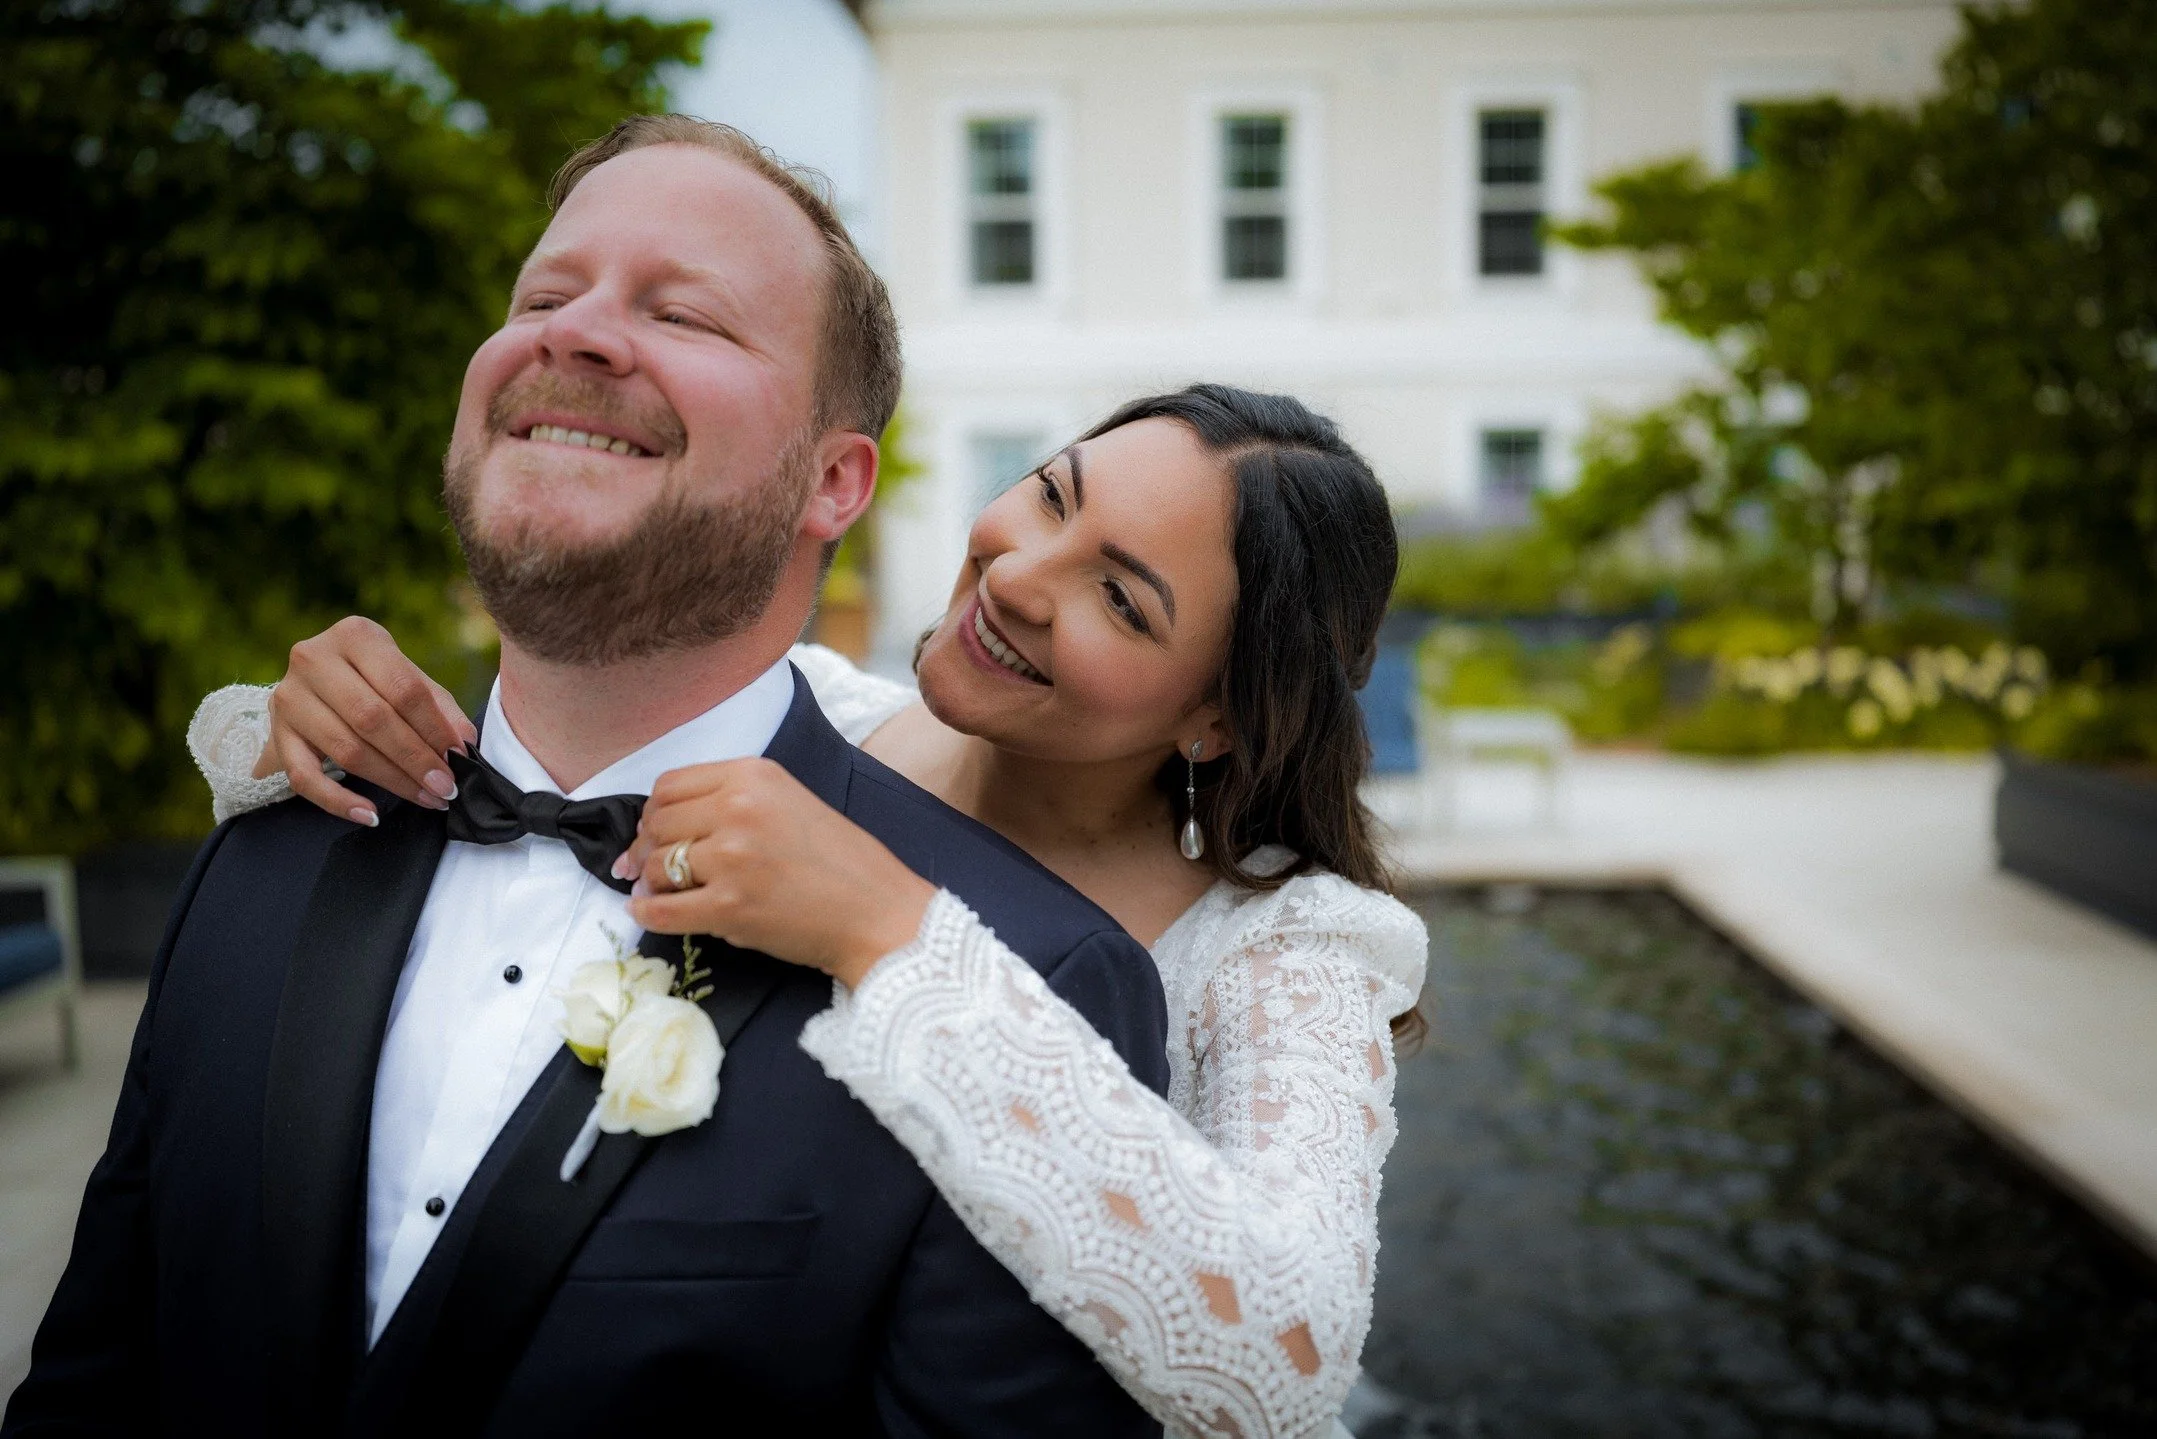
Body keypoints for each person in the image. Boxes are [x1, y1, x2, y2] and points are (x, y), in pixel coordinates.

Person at [4, 116, 1170, 1438]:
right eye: (546, 294)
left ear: (835, 480)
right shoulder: (265, 850)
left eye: (685, 313)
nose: (578, 333)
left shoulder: (1018, 981)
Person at [191, 385, 1430, 1439]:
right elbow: (517, 794)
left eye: (1124, 598)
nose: (1019, 574)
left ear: (1216, 713)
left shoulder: (1282, 944)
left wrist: (889, 934)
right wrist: (311, 723)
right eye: (1052, 496)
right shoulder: (812, 716)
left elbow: (1287, 1351)